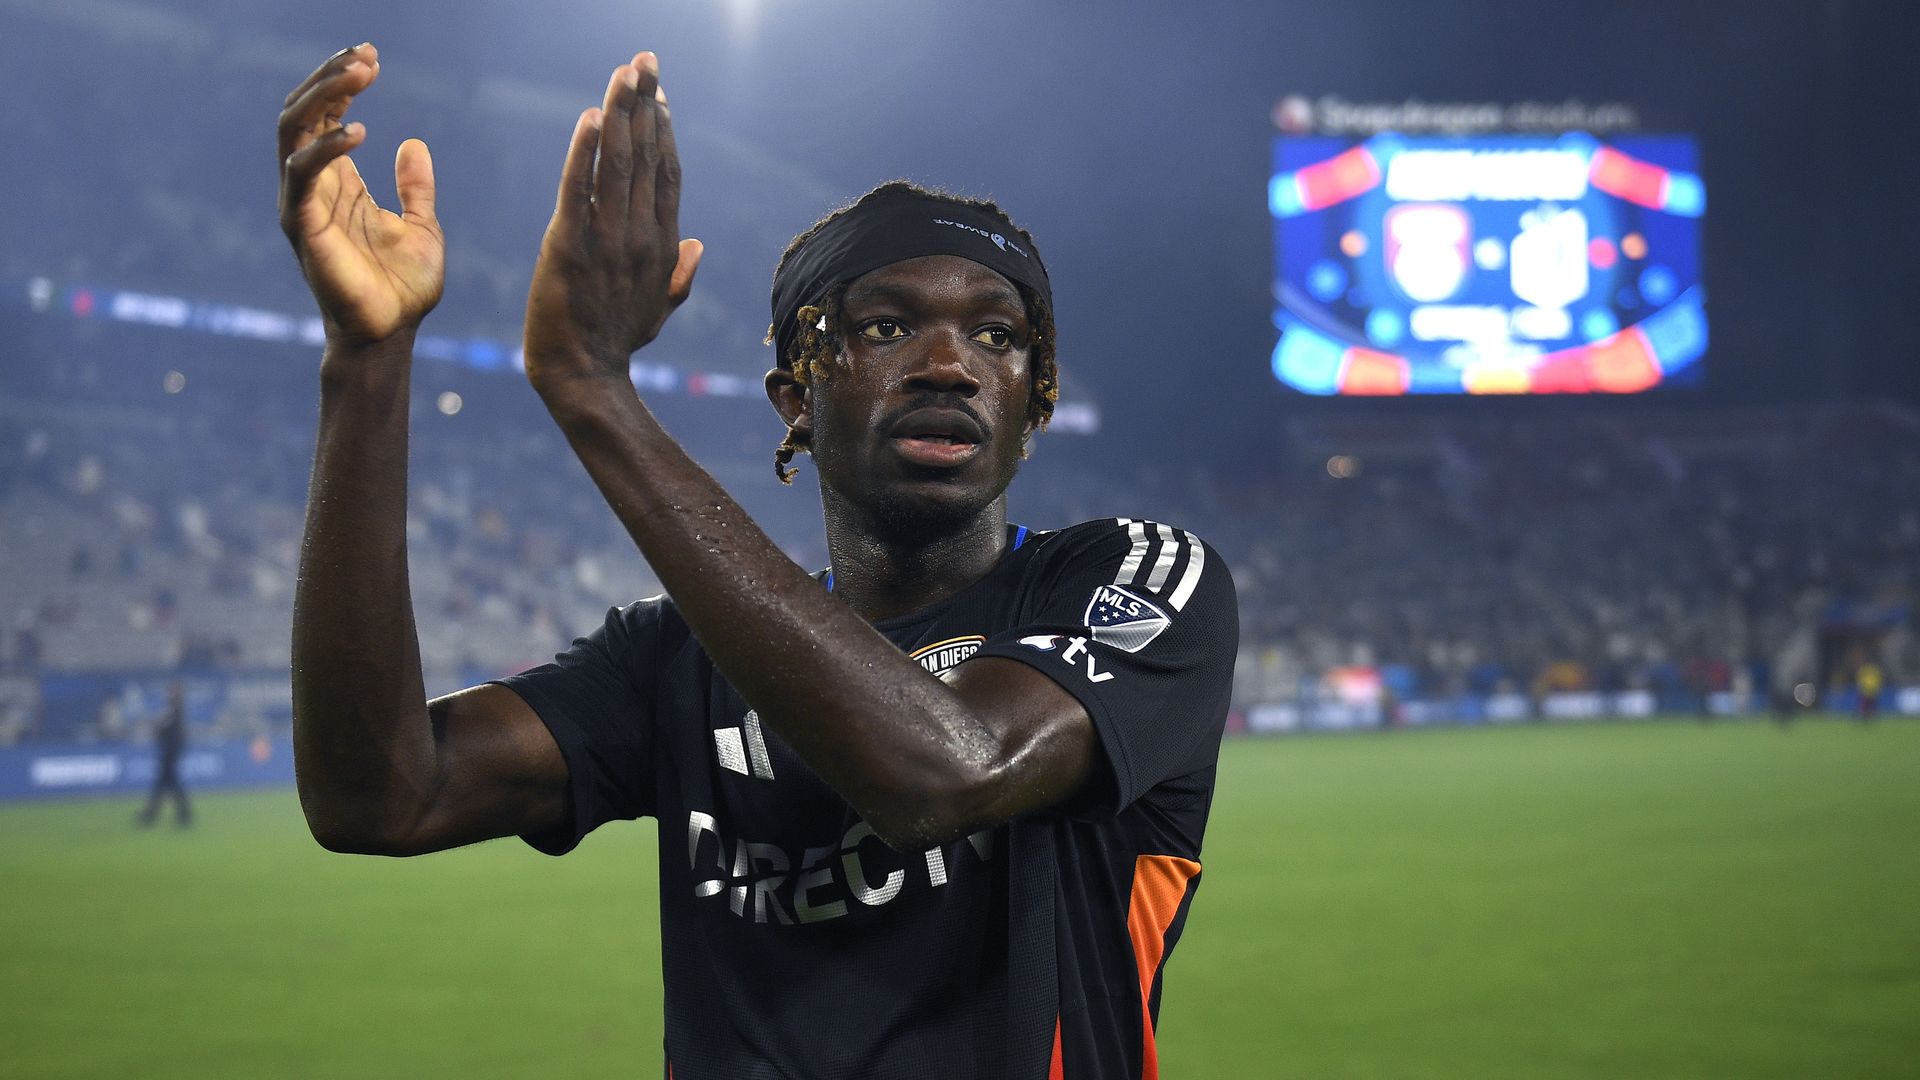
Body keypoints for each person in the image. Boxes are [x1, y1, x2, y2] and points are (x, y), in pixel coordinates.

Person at [278, 43, 1236, 1079]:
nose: (950, 365)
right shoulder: (675, 660)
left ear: (1032, 404)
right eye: (887, 326)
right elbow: (378, 797)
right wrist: (366, 361)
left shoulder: (1138, 580)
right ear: (796, 400)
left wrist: (592, 388)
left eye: (998, 337)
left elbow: (949, 772)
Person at [136, 680, 192, 827]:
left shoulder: (174, 709)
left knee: (167, 783)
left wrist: (155, 727)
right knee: (165, 783)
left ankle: (154, 815)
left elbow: (161, 726)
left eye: (172, 691)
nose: (169, 693)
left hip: (170, 751)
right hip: (170, 750)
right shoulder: (174, 709)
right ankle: (154, 815)